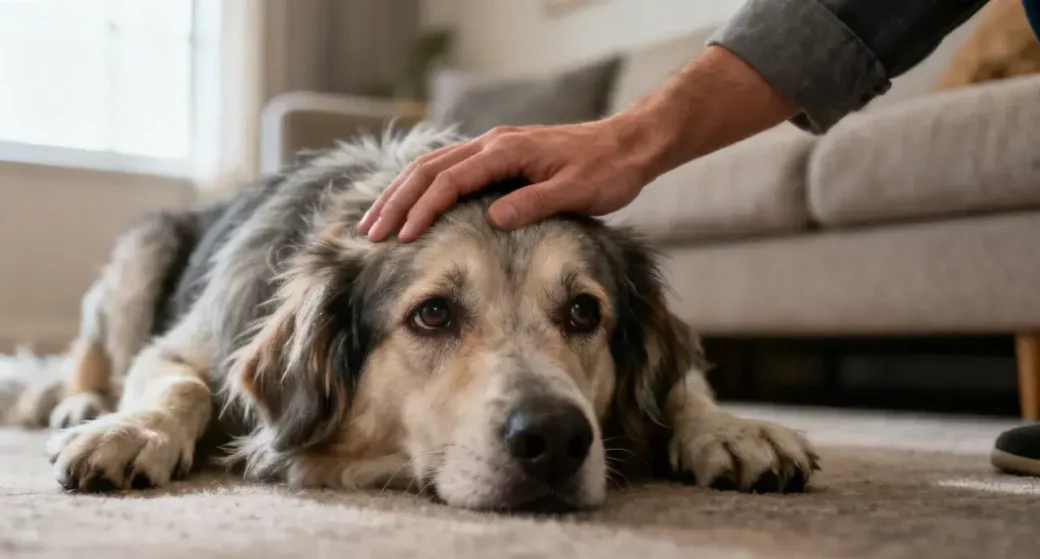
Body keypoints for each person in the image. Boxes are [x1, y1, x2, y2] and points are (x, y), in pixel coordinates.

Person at [357, 0, 1040, 477]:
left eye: (581, 314)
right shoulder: (319, 300)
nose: (543, 416)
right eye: (435, 314)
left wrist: (690, 414)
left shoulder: (643, 360)